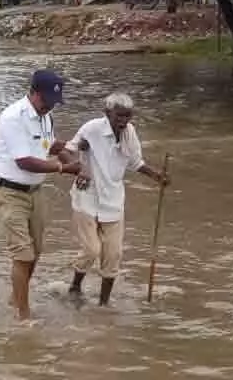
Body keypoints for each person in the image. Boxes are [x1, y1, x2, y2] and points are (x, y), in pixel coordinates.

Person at [0, 70, 84, 320]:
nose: (48, 107)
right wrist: (64, 168)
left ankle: (16, 297)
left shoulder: (46, 118)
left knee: (37, 250)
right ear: (32, 92)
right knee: (23, 253)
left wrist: (73, 159)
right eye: (46, 102)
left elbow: (49, 146)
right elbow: (25, 162)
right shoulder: (13, 117)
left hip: (35, 191)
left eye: (53, 103)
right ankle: (23, 315)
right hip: (10, 191)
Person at [63, 92, 168, 306]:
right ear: (107, 113)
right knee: (92, 249)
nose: (123, 121)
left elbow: (135, 162)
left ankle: (104, 304)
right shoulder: (92, 128)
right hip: (87, 197)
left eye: (128, 116)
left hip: (113, 200)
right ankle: (75, 286)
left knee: (113, 254)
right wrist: (80, 168)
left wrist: (156, 175)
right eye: (119, 116)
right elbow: (66, 151)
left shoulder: (130, 133)